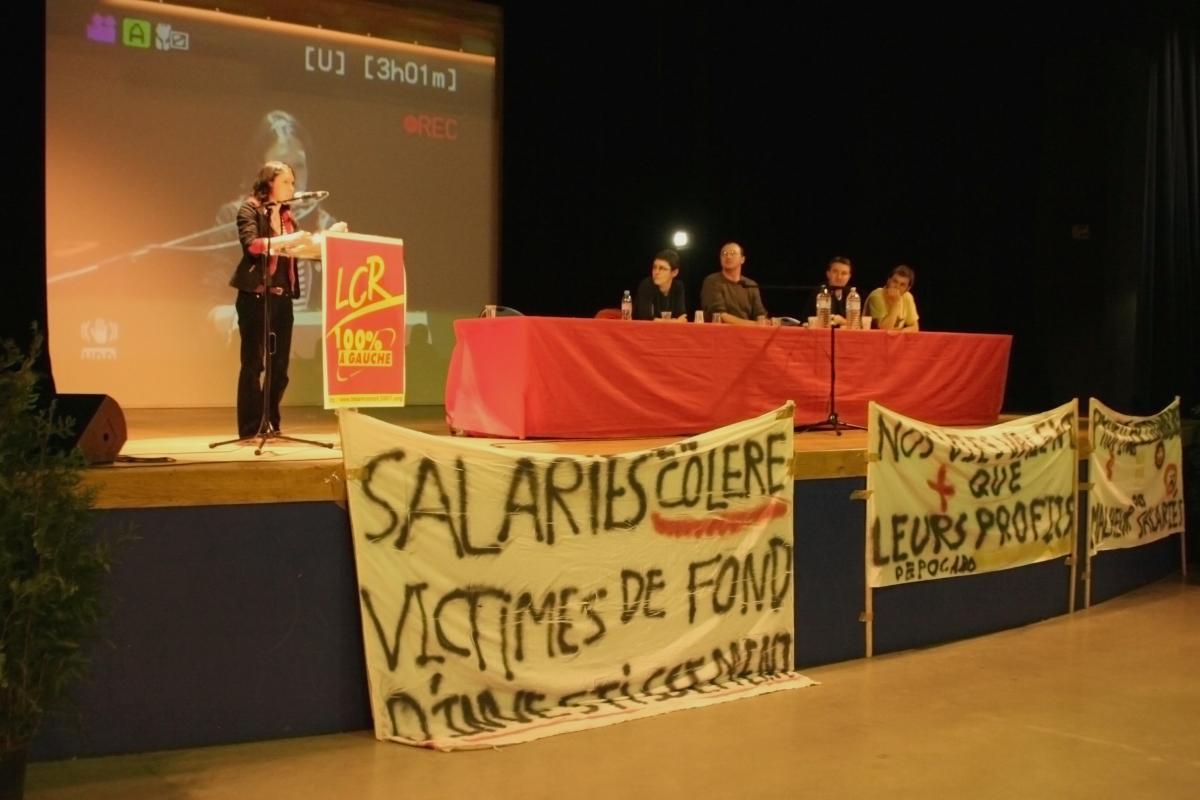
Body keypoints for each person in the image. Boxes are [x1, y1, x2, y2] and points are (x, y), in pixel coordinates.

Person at [230, 161, 304, 437]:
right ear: (270, 182)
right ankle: (250, 428)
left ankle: (270, 421)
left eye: (293, 183)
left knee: (280, 368)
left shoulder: (287, 216)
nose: (292, 188)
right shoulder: (250, 209)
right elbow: (252, 245)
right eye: (286, 182)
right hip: (256, 297)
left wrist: (321, 243)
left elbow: (294, 248)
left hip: (282, 300)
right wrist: (287, 241)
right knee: (254, 364)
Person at [700, 242, 774, 325]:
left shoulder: (750, 284)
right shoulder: (712, 281)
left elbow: (759, 313)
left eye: (733, 253)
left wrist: (768, 322)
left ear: (742, 259)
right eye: (724, 253)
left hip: (748, 334)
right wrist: (754, 324)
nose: (728, 256)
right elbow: (719, 315)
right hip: (721, 334)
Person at [634, 249, 687, 320]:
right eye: (654, 267)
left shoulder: (678, 286)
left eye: (662, 268)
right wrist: (672, 322)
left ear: (674, 273)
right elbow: (646, 318)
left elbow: (682, 317)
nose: (656, 272)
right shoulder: (646, 285)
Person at [866, 264, 920, 331]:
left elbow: (915, 327)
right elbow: (884, 329)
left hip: (895, 340)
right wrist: (896, 303)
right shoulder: (877, 296)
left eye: (902, 285)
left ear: (908, 289)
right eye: (895, 281)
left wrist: (899, 333)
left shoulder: (908, 297)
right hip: (874, 339)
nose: (897, 286)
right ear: (888, 280)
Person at [816, 256, 853, 325]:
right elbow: (824, 321)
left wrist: (842, 321)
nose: (839, 277)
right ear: (828, 274)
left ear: (849, 276)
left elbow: (858, 322)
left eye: (844, 273)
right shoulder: (821, 293)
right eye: (835, 272)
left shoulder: (852, 295)